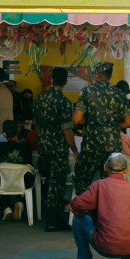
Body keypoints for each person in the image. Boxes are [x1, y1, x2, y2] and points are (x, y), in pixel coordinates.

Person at [70, 153, 130, 259]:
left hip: (105, 246)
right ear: (126, 170)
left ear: (105, 167)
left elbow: (77, 205)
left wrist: (72, 205)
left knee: (78, 220)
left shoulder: (99, 185)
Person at [72, 62, 130, 195]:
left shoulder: (87, 92)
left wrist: (91, 122)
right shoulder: (120, 94)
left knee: (83, 183)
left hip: (91, 146)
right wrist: (111, 124)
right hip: (113, 147)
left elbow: (76, 119)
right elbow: (128, 122)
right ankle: (107, 213)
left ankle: (84, 212)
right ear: (110, 76)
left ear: (97, 75)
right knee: (111, 185)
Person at [33, 67, 79, 232]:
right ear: (66, 82)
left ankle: (52, 217)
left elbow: (36, 124)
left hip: (43, 147)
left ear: (51, 80)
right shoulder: (64, 102)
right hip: (58, 148)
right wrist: (74, 149)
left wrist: (41, 140)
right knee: (57, 184)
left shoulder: (39, 98)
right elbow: (67, 130)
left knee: (47, 183)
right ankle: (53, 221)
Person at [0, 120, 34, 221]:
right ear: (17, 131)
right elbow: (30, 168)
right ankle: (20, 203)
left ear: (4, 134)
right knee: (28, 177)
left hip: (3, 184)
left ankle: (6, 208)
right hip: (21, 184)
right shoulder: (26, 149)